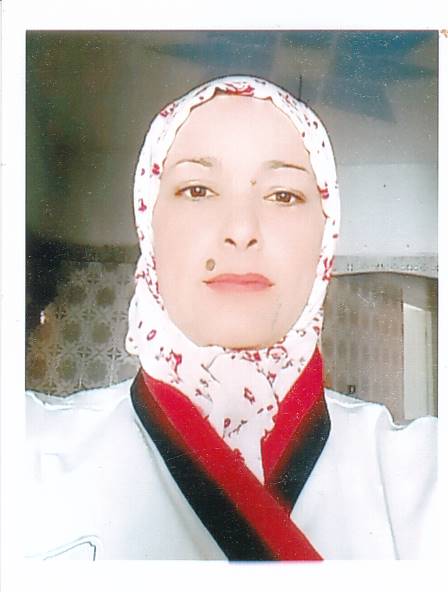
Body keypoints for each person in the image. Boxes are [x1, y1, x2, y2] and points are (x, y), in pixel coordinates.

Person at [25, 75, 437, 560]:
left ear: (326, 237)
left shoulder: (422, 474)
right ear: (148, 225)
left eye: (283, 195)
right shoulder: (27, 450)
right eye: (198, 189)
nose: (241, 230)